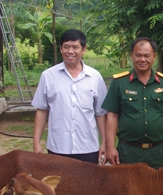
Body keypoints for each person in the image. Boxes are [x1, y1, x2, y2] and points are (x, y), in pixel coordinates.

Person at [32, 29, 107, 163]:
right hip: (58, 147)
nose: (70, 51)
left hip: (88, 148)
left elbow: (100, 113)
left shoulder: (95, 77)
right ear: (61, 49)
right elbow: (42, 110)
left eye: (75, 47)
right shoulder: (48, 76)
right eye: (66, 47)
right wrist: (36, 143)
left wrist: (105, 143)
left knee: (87, 183)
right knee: (57, 183)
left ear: (83, 50)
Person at [103, 37, 163, 170]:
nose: (142, 60)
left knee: (157, 189)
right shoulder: (119, 82)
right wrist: (110, 147)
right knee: (126, 190)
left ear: (154, 56)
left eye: (147, 56)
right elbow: (112, 116)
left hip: (157, 152)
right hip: (128, 152)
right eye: (138, 55)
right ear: (131, 55)